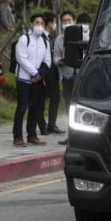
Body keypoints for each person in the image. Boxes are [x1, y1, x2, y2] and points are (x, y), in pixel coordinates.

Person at [13, 14, 51, 147]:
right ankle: (17, 136)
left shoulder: (45, 41)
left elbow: (48, 61)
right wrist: (35, 73)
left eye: (41, 23)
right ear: (31, 24)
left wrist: (40, 74)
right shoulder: (24, 39)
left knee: (35, 108)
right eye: (36, 23)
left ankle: (32, 135)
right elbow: (21, 59)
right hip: (24, 79)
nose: (39, 26)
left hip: (38, 80)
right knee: (22, 107)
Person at [36, 12, 63, 135]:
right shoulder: (40, 37)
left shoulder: (50, 37)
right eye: (54, 22)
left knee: (55, 98)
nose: (55, 24)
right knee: (40, 99)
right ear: (50, 23)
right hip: (43, 72)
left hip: (53, 72)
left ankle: (52, 124)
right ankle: (42, 125)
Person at [55, 11, 76, 146]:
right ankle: (71, 136)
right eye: (64, 21)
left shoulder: (84, 36)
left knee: (81, 106)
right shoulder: (59, 39)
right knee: (69, 107)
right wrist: (60, 61)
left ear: (74, 21)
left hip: (80, 76)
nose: (66, 23)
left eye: (69, 20)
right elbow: (55, 57)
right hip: (67, 76)